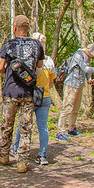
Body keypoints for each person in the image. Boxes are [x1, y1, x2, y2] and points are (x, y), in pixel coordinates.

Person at [0, 15, 44, 173]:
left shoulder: (8, 44)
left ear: (14, 28)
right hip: (28, 91)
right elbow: (39, 66)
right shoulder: (37, 45)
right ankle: (22, 162)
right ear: (28, 29)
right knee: (26, 128)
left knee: (7, 125)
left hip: (11, 91)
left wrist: (10, 70)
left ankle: (4, 155)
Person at [12, 32, 55, 165]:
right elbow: (52, 81)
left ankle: (15, 148)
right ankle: (43, 155)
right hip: (45, 94)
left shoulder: (30, 60)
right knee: (43, 126)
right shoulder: (49, 60)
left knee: (23, 123)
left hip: (32, 93)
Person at [56, 41, 94, 142]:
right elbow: (85, 68)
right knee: (67, 107)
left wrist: (89, 79)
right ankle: (60, 131)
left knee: (75, 108)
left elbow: (86, 71)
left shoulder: (88, 57)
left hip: (79, 84)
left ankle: (71, 128)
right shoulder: (78, 55)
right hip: (71, 84)